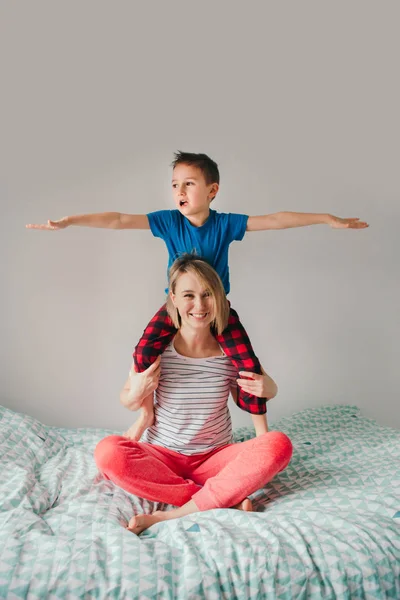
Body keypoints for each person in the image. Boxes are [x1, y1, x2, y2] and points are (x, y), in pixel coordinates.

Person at [26, 151, 369, 442]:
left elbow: (276, 219)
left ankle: (263, 435)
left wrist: (327, 218)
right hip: (177, 307)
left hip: (216, 308)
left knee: (247, 363)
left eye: (189, 183)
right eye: (175, 185)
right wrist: (70, 221)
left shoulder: (225, 224)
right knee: (143, 352)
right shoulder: (169, 222)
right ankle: (145, 417)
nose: (180, 191)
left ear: (212, 190)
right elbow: (117, 220)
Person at [94, 255, 293, 535]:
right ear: (173, 298)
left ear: (219, 298)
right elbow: (127, 399)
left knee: (279, 444)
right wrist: (137, 392)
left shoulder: (231, 352)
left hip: (215, 457)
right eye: (189, 295)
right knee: (108, 453)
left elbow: (253, 393)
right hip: (162, 457)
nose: (199, 306)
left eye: (207, 295)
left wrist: (271, 388)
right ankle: (218, 500)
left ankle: (171, 515)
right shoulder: (158, 350)